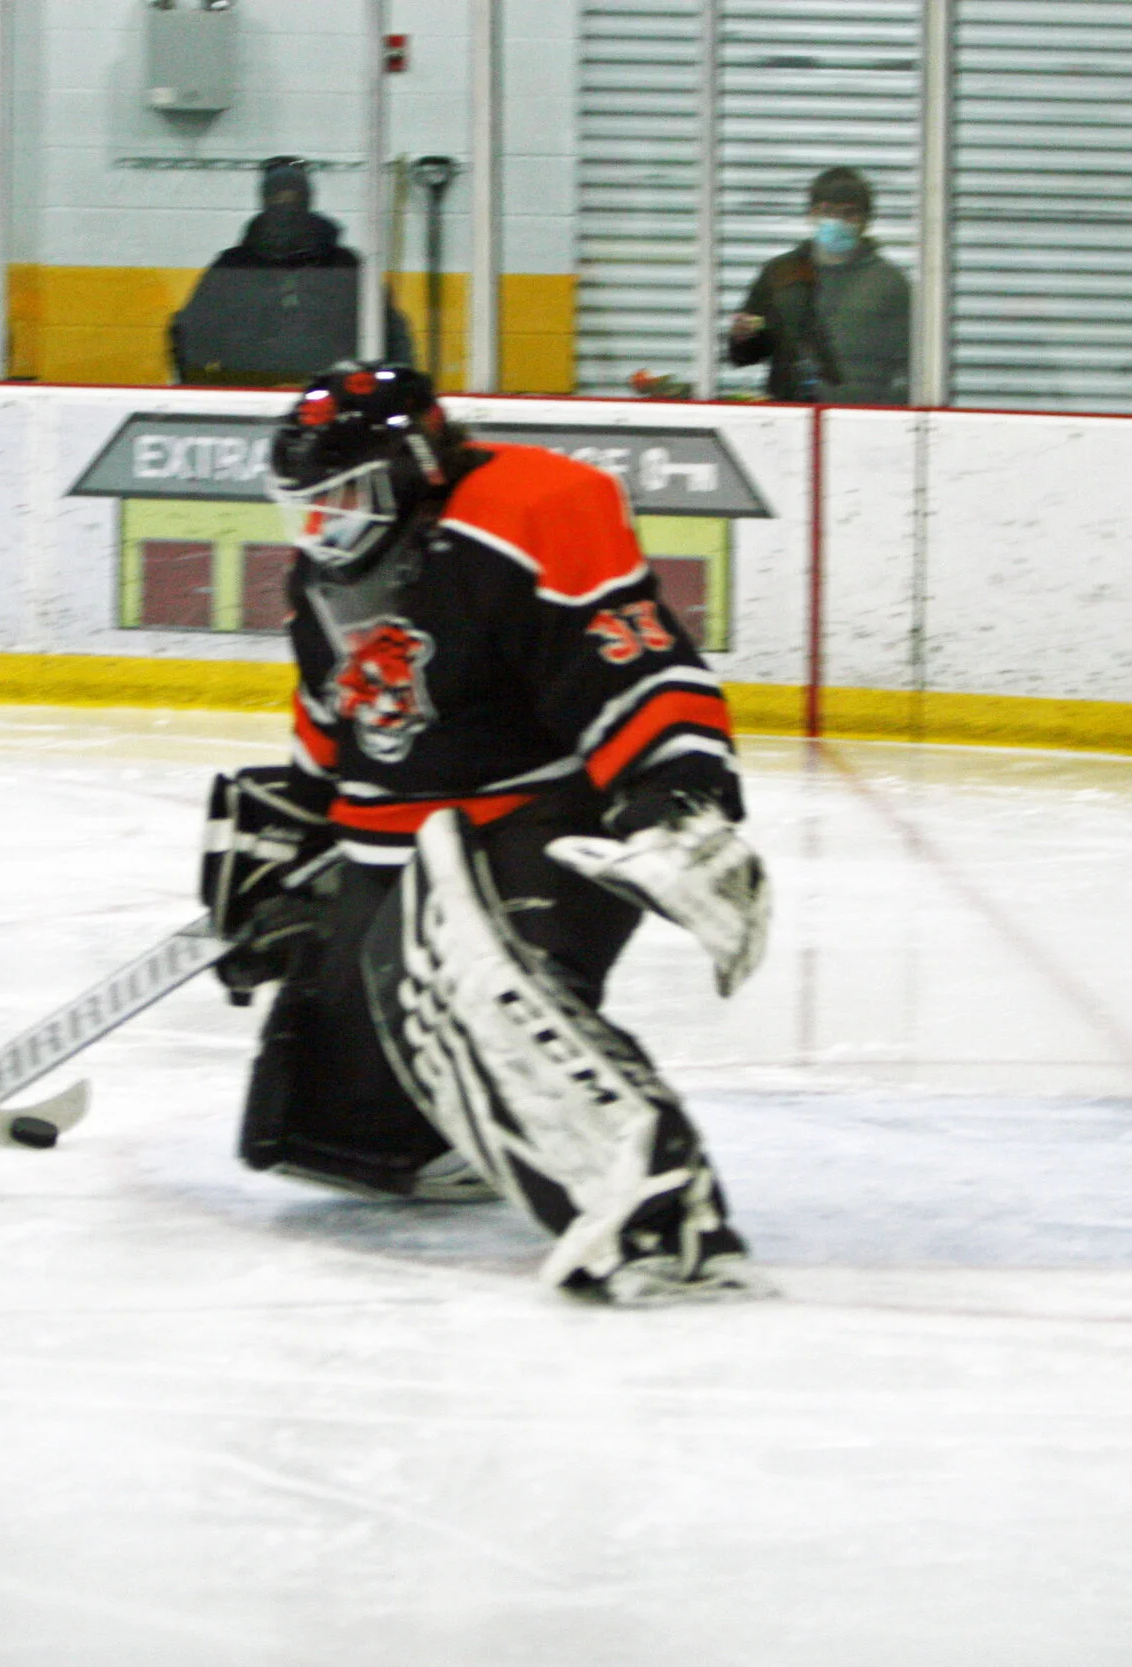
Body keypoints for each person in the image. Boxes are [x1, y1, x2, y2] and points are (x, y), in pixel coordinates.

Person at [202, 362, 770, 1305]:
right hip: (407, 832)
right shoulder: (323, 572)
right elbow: (334, 711)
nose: (322, 525)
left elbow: (636, 664)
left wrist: (680, 805)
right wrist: (295, 833)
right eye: (305, 503)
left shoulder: (525, 510)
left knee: (477, 984)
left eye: (344, 495)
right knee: (339, 1128)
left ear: (416, 465)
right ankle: (444, 1136)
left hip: (537, 819)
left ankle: (666, 1215)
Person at [168, 157, 414, 387]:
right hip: (247, 395)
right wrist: (202, 390)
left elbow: (391, 334)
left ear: (307, 200)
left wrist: (390, 389)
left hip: (333, 398)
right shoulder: (232, 266)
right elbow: (190, 333)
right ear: (264, 200)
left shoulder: (345, 265)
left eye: (293, 197)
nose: (285, 206)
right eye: (277, 198)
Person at [729, 166, 910, 403]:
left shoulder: (890, 283)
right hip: (790, 414)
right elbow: (745, 357)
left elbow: (913, 365)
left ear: (866, 221)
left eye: (849, 214)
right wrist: (743, 338)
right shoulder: (781, 274)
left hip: (864, 417)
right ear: (812, 214)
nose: (837, 221)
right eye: (828, 211)